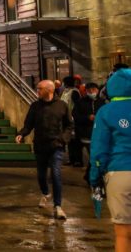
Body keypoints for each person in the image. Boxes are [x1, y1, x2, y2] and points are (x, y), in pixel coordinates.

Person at [16, 79, 73, 220]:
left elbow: (69, 126)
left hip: (57, 146)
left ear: (49, 90)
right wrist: (21, 134)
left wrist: (63, 139)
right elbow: (28, 124)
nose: (37, 91)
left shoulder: (62, 106)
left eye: (39, 88)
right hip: (40, 145)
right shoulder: (35, 106)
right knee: (41, 175)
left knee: (56, 173)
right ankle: (45, 193)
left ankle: (58, 206)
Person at [90, 68, 131, 252]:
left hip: (119, 173)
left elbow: (99, 150)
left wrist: (95, 177)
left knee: (123, 234)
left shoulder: (105, 112)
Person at [74, 82, 105, 182]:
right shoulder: (80, 102)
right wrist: (88, 118)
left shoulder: (102, 102)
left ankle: (89, 176)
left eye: (94, 90)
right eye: (89, 90)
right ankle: (93, 178)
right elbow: (76, 116)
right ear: (86, 91)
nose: (92, 92)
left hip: (99, 134)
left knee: (95, 157)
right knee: (93, 156)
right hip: (86, 134)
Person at [61, 75, 84, 167]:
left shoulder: (74, 92)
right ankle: (72, 159)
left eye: (64, 82)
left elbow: (77, 105)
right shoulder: (65, 92)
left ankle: (78, 160)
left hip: (73, 119)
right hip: (66, 119)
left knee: (76, 141)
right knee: (70, 140)